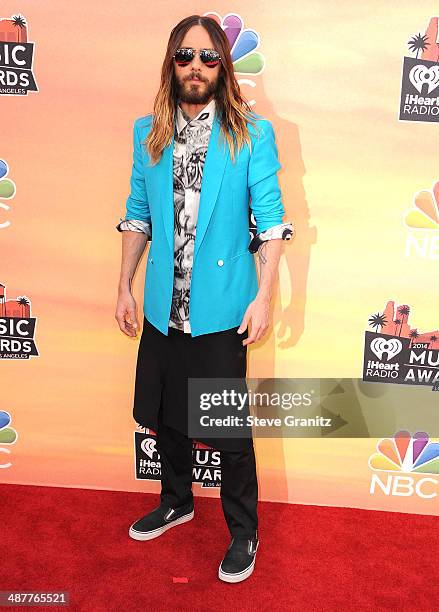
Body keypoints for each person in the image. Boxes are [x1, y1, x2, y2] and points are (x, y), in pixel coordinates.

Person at [115, 14, 293, 584]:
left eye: (209, 57)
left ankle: (244, 530)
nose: (196, 67)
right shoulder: (149, 132)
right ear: (172, 62)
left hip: (220, 308)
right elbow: (138, 214)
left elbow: (270, 224)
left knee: (229, 432)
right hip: (163, 307)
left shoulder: (250, 134)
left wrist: (264, 297)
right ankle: (177, 501)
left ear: (223, 65)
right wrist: (124, 283)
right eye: (186, 56)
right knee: (166, 415)